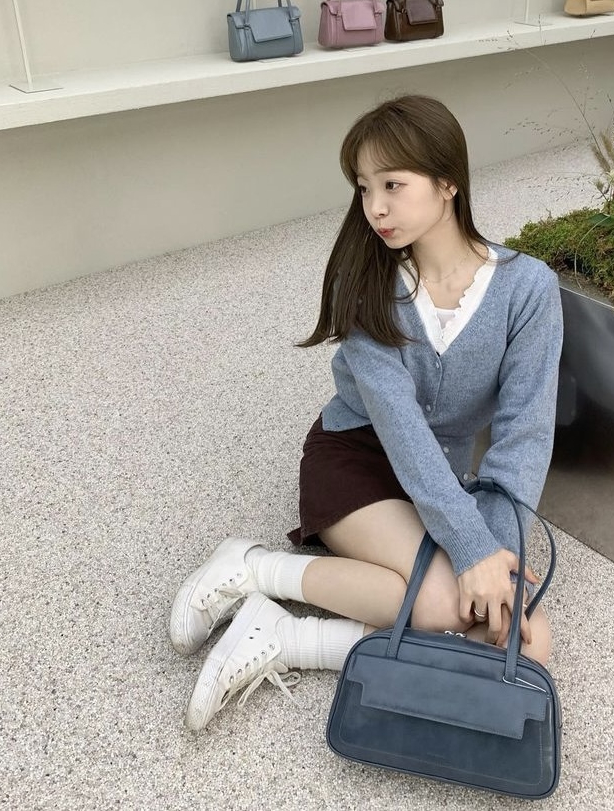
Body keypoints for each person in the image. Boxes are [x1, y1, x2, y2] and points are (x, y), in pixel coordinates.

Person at [169, 95, 564, 732]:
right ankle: (252, 568)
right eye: (362, 187)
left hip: (442, 479)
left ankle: (282, 636)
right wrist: (470, 551)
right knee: (443, 603)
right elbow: (402, 431)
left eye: (392, 185)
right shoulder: (367, 287)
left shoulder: (529, 288)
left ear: (448, 183)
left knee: (525, 638)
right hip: (355, 458)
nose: (373, 207)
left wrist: (494, 550)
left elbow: (524, 432)